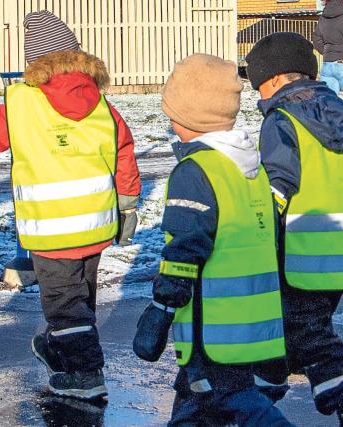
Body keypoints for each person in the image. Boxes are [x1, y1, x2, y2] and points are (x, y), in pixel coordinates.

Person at [0, 10, 141, 400]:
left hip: (52, 231)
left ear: (34, 63)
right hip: (96, 228)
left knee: (65, 309)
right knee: (79, 302)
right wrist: (127, 206)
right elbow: (123, 151)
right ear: (78, 57)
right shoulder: (101, 104)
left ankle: (85, 376)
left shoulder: (22, 104)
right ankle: (60, 349)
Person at [132, 54, 292, 426]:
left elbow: (185, 248)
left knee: (232, 402)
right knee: (197, 404)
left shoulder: (195, 171)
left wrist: (162, 308)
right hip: (251, 325)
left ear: (188, 116)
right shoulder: (248, 167)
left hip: (213, 328)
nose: (169, 120)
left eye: (172, 111)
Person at [246, 32, 343, 421]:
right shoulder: (336, 110)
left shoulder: (282, 121)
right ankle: (261, 388)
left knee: (308, 333)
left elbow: (277, 187)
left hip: (303, 254)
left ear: (273, 78)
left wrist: (258, 234)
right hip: (336, 252)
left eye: (258, 84)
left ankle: (331, 388)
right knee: (294, 326)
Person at [314, 0, 343, 94]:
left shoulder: (322, 17)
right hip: (341, 62)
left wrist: (327, 52)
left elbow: (317, 40)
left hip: (327, 64)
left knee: (331, 102)